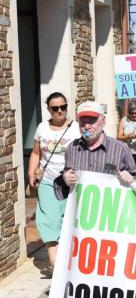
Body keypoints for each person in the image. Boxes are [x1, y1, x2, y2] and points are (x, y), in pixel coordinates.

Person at [53, 100, 136, 298]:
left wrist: (130, 180)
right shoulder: (72, 149)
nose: (87, 125)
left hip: (112, 232)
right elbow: (62, 188)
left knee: (109, 287)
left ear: (103, 121)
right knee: (79, 285)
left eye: (92, 120)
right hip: (80, 232)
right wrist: (64, 179)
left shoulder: (119, 150)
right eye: (83, 120)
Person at [27, 92, 81, 270]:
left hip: (72, 182)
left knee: (69, 220)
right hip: (49, 180)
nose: (60, 111)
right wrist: (31, 173)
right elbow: (36, 152)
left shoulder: (77, 128)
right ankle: (56, 264)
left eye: (63, 107)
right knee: (49, 219)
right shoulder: (42, 128)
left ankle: (70, 261)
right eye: (55, 108)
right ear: (48, 109)